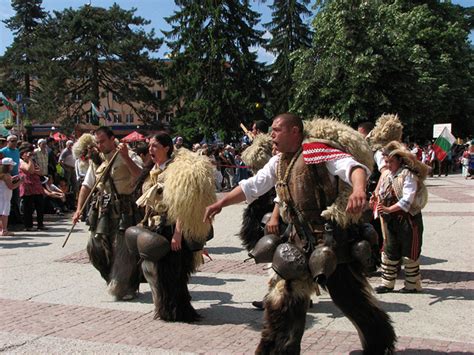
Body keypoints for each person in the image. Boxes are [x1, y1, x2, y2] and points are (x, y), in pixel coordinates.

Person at [204, 113, 395, 354]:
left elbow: (353, 167)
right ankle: (279, 350)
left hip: (330, 243)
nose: (271, 135)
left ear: (295, 131)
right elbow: (252, 186)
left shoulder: (316, 151)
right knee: (284, 301)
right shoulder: (279, 162)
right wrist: (221, 203)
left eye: (276, 130)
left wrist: (358, 190)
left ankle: (380, 344)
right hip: (296, 243)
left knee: (350, 299)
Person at [125, 132, 215, 321]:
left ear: (167, 148)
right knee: (159, 271)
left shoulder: (175, 172)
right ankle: (165, 309)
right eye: (149, 146)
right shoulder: (152, 170)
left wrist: (177, 233)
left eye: (155, 146)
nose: (150, 149)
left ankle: (177, 310)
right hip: (155, 226)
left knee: (174, 272)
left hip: (172, 226)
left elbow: (182, 204)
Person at [72, 126, 143, 301]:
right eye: (97, 141)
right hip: (102, 208)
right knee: (95, 246)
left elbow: (141, 175)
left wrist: (126, 156)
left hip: (124, 207)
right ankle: (112, 279)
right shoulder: (97, 160)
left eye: (102, 141)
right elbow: (87, 185)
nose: (99, 144)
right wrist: (78, 208)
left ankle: (125, 285)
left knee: (123, 248)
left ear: (112, 139)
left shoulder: (128, 154)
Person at [373, 141, 428, 294]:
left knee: (410, 252)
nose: (388, 164)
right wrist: (376, 200)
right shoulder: (387, 176)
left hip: (408, 220)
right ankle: (387, 284)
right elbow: (381, 194)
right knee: (389, 251)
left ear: (399, 160)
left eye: (391, 161)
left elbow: (407, 200)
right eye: (386, 161)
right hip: (390, 220)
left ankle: (412, 285)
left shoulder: (408, 175)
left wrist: (389, 208)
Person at [19, 144, 46, 231]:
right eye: (28, 154)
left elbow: (41, 172)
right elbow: (30, 170)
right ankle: (28, 225)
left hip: (36, 186)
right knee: (28, 208)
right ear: (23, 155)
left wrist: (33, 169)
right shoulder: (21, 162)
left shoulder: (33, 162)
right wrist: (30, 161)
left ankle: (40, 224)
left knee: (40, 206)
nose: (30, 155)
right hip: (27, 187)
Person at [0, 135, 22, 226]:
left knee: (15, 198)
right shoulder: (2, 151)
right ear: (8, 142)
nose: (14, 142)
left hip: (14, 175)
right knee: (5, 204)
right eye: (12, 141)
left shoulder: (17, 151)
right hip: (6, 175)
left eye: (15, 140)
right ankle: (5, 226)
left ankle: (15, 218)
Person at [0, 158, 22, 235]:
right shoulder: (7, 175)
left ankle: (2, 229)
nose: (12, 167)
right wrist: (20, 181)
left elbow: (4, 183)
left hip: (2, 195)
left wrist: (12, 178)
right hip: (5, 196)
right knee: (5, 214)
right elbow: (11, 186)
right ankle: (4, 230)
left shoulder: (2, 174)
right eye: (11, 165)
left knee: (1, 213)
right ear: (8, 166)